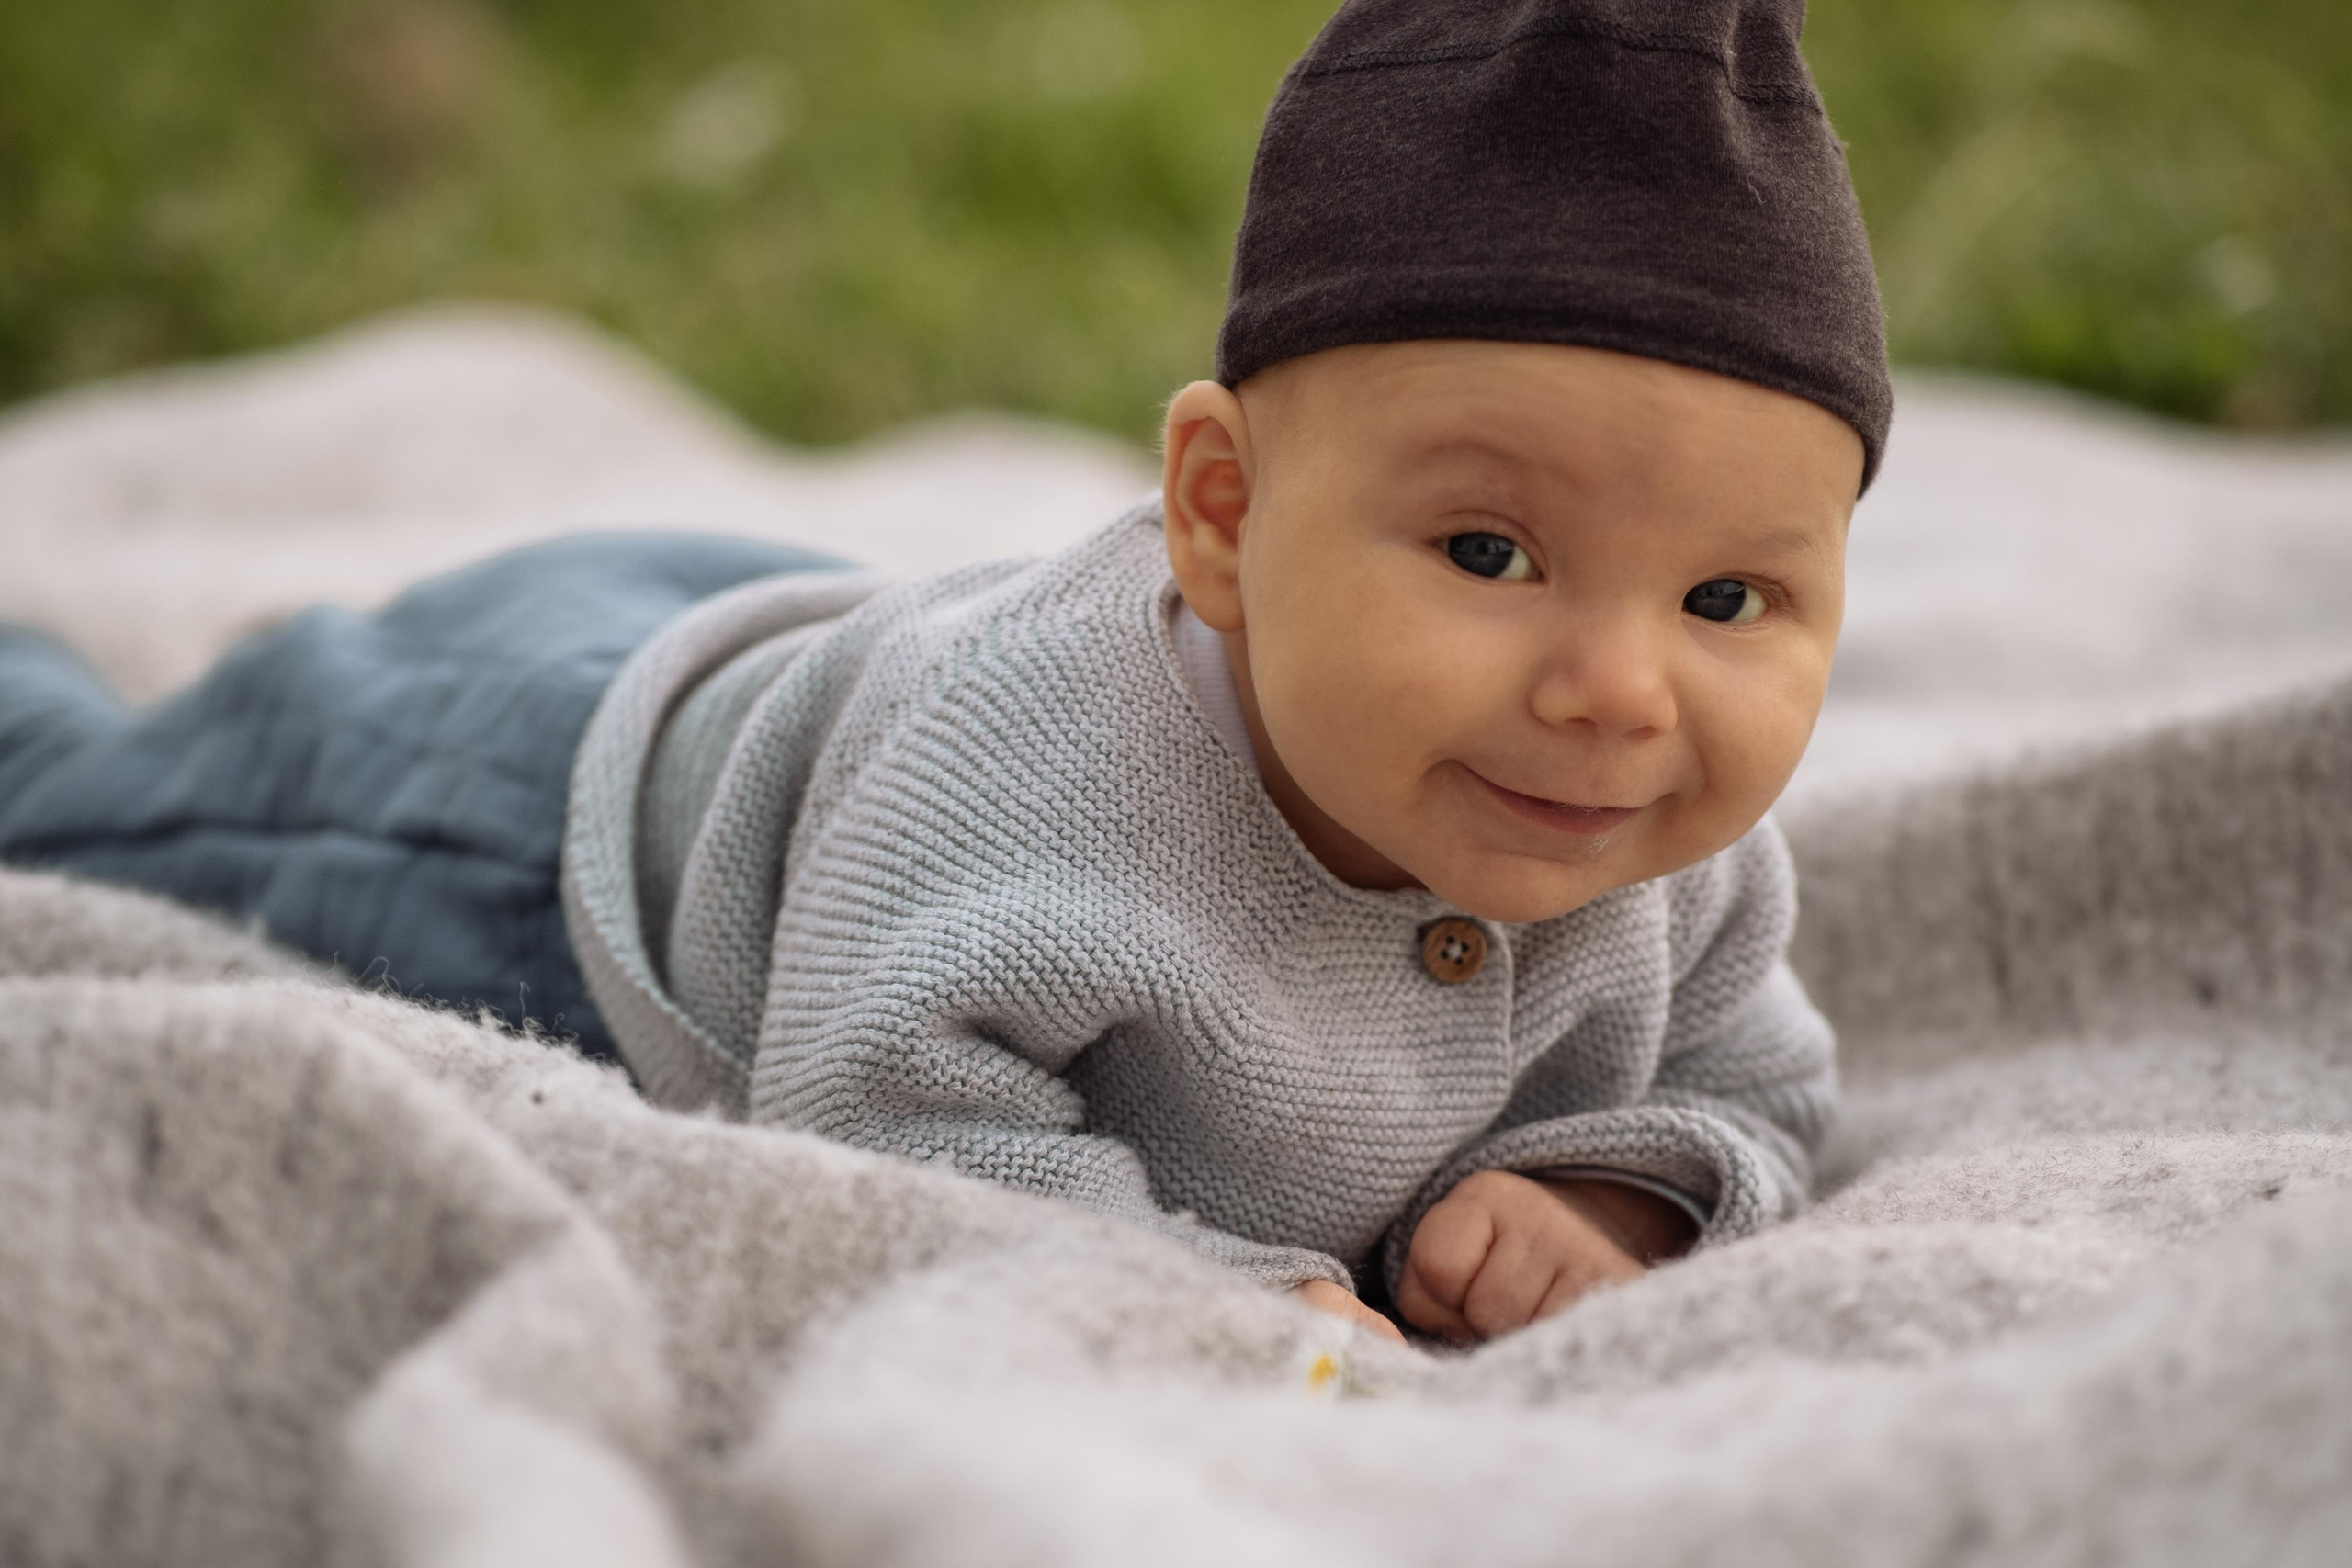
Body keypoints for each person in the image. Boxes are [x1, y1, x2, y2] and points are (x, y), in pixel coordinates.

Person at [0, 0, 1888, 1347]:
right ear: (1218, 514)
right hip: (545, 807)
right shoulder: (1045, 780)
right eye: (1488, 554)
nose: (1619, 691)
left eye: (1729, 597)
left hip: (838, 648)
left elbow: (1750, 1090)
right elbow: (870, 1118)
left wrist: (1606, 1202)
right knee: (98, 790)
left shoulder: (1655, 840)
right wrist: (1207, 1298)